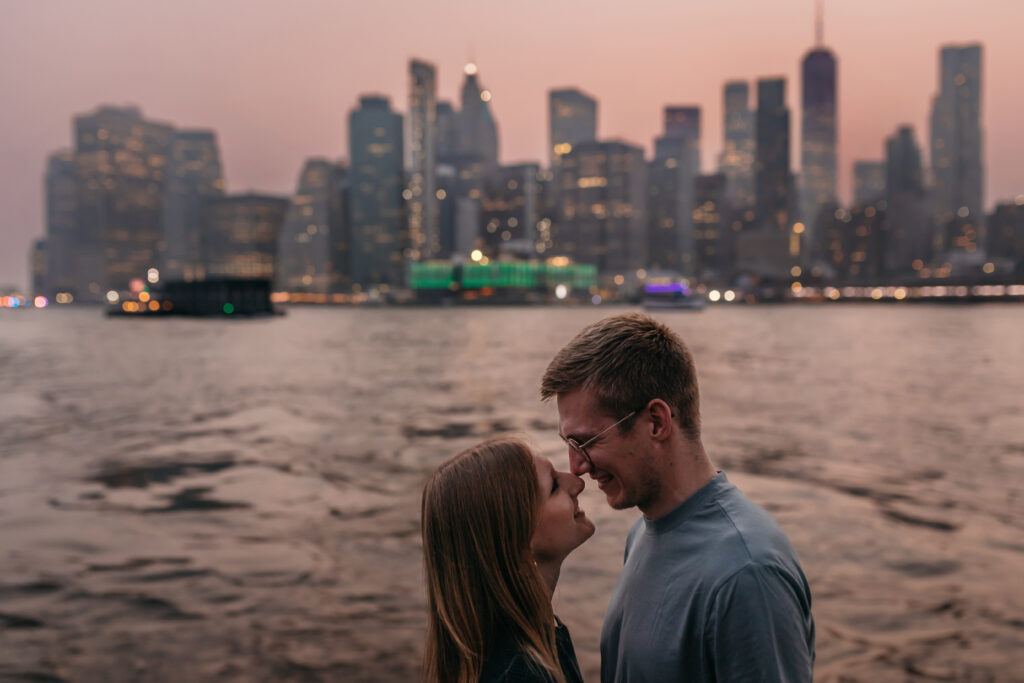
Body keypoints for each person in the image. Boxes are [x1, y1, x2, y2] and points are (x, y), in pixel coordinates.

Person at [541, 313, 815, 682]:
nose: (576, 467)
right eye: (568, 444)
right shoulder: (642, 534)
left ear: (656, 422)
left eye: (585, 442)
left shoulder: (748, 574)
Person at [421, 437, 595, 683]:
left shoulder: (525, 647)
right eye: (554, 486)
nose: (577, 482)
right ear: (517, 539)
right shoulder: (521, 674)